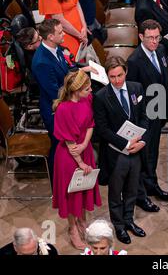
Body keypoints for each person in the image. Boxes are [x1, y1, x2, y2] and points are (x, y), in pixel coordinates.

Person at [93, 56, 149, 245]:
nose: (117, 80)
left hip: (137, 150)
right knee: (116, 192)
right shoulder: (101, 97)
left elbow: (144, 116)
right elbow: (102, 129)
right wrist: (125, 143)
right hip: (116, 153)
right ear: (107, 76)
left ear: (126, 72)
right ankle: (118, 225)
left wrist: (142, 141)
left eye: (120, 75)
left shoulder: (136, 88)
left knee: (132, 189)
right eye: (112, 77)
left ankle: (129, 220)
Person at [52, 70, 102, 250]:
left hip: (84, 149)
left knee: (83, 189)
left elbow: (91, 123)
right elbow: (69, 142)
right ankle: (73, 228)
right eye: (87, 88)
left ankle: (82, 221)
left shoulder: (86, 99)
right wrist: (80, 162)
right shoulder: (63, 109)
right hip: (69, 157)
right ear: (76, 90)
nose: (91, 91)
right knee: (71, 193)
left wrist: (85, 145)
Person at [126, 19, 168, 210]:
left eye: (157, 37)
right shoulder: (134, 61)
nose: (154, 41)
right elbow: (133, 92)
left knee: (153, 150)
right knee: (146, 153)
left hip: (160, 108)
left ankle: (151, 184)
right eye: (150, 38)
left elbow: (164, 78)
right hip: (146, 114)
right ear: (141, 37)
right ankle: (144, 190)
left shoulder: (160, 50)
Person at [31, 19, 77, 189]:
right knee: (58, 148)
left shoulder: (55, 48)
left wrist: (81, 71)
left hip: (63, 104)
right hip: (54, 110)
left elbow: (65, 71)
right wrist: (78, 92)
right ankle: (58, 185)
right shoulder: (41, 61)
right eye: (60, 32)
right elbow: (54, 92)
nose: (64, 34)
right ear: (50, 37)